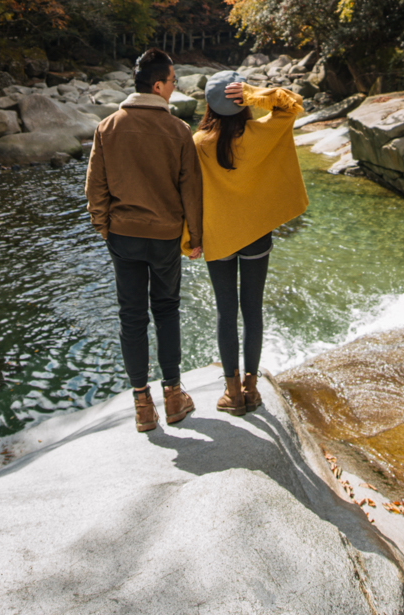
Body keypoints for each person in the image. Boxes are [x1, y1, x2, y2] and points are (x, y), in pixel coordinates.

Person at [86, 47, 204, 432]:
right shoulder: (178, 130)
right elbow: (191, 190)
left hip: (123, 235)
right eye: (173, 81)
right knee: (166, 309)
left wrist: (104, 227)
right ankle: (173, 397)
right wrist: (196, 237)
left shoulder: (108, 127)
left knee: (131, 317)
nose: (175, 87)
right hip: (166, 235)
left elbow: (95, 187)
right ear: (157, 85)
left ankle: (142, 406)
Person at [187, 70, 306, 415]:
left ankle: (231, 393)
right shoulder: (262, 133)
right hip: (256, 236)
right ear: (241, 102)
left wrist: (190, 240)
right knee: (252, 310)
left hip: (218, 237)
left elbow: (189, 196)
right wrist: (255, 94)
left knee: (226, 312)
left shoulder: (198, 143)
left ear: (208, 105)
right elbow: (291, 103)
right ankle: (251, 389)